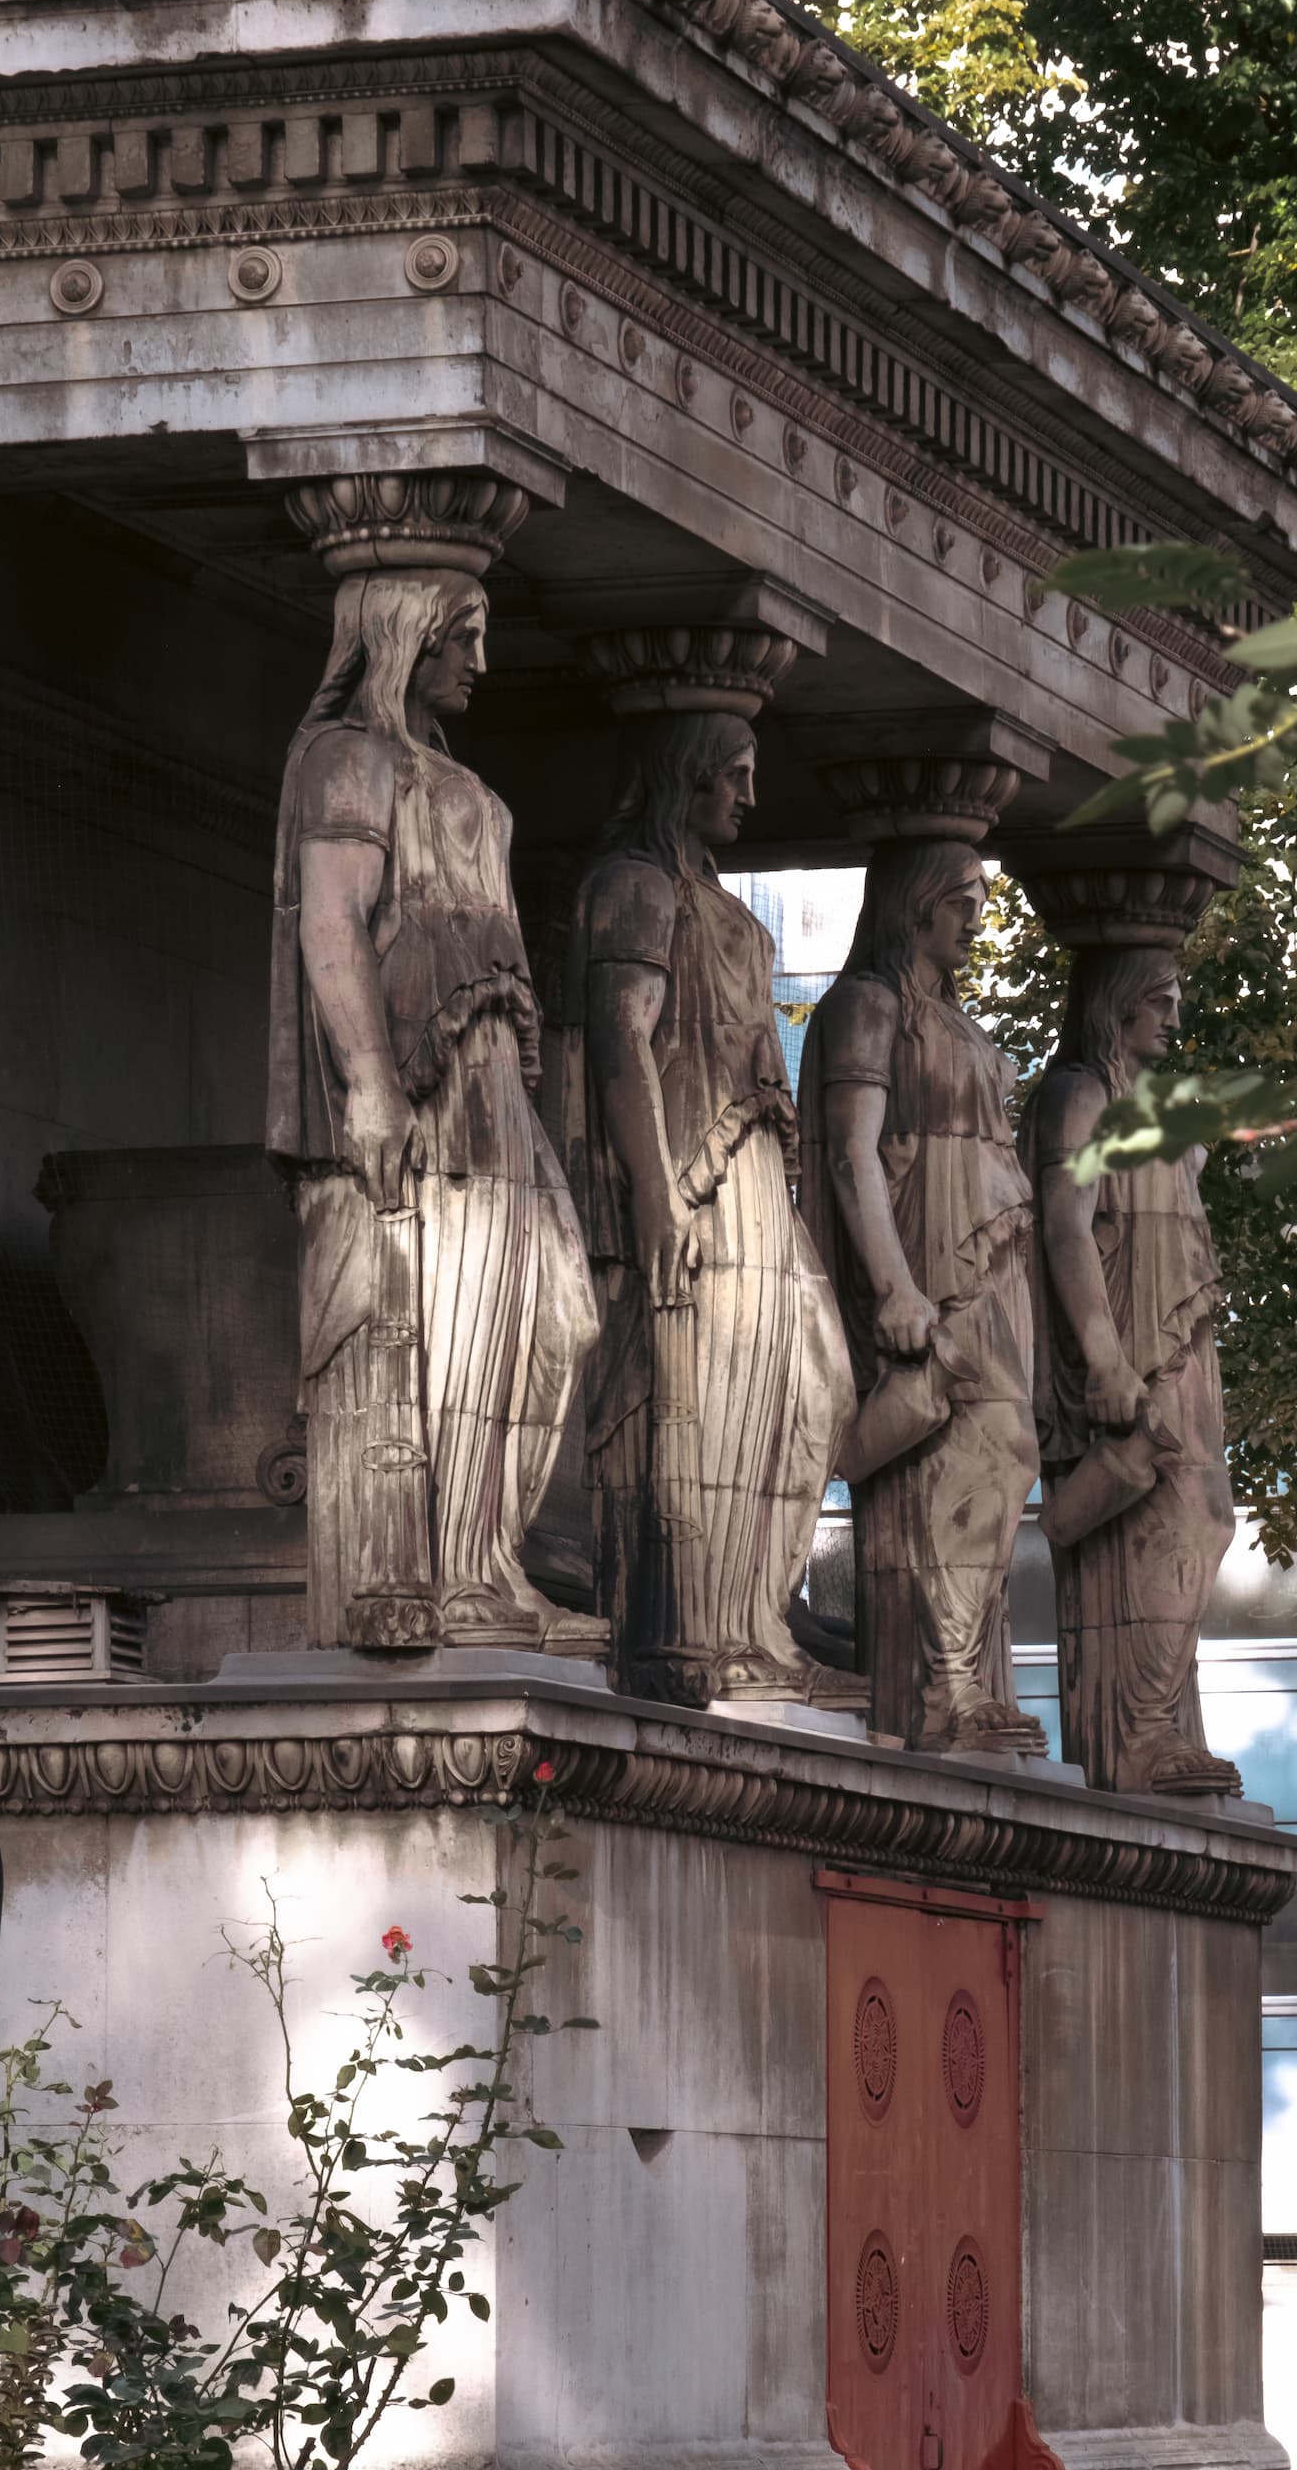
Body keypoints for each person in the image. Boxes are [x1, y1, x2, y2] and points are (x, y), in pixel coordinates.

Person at [268, 567, 602, 1653]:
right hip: (428, 1082)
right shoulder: (349, 760)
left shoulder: (436, 767)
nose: (480, 662)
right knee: (460, 1320)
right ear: (407, 637)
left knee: (558, 1308)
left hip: (493, 1075)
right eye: (463, 638)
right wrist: (365, 1083)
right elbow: (330, 923)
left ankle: (486, 1557)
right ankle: (458, 1573)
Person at [563, 711, 862, 1710]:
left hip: (751, 1170)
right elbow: (619, 1044)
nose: (747, 796)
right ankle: (712, 1630)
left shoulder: (728, 911)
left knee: (814, 1382)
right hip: (688, 1174)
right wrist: (652, 1198)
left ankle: (754, 1613)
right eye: (730, 777)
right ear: (683, 779)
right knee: (710, 1395)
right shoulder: (634, 888)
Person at [798, 840, 1045, 1755]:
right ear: (917, 903)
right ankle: (947, 1686)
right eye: (964, 897)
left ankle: (965, 1680)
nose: (978, 914)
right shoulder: (868, 1006)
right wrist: (893, 1285)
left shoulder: (959, 1021)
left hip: (990, 1249)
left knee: (1003, 1452)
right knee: (976, 1450)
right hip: (931, 1252)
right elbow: (849, 1149)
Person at [1023, 945, 1242, 1794]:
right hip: (1132, 1345)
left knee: (1208, 1517)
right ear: (1118, 1006)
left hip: (1182, 1337)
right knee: (1171, 1519)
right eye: (1161, 1002)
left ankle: (1168, 1720)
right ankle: (1139, 1735)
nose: (1175, 1020)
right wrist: (1104, 1358)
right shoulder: (1080, 1095)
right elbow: (1065, 1226)